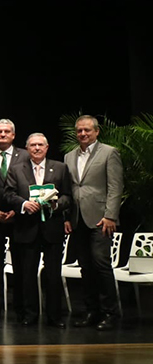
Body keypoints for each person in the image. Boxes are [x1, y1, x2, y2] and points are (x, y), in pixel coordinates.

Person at [4, 133, 72, 327]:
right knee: (27, 274)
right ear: (27, 148)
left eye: (40, 145)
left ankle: (54, 316)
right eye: (32, 145)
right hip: (27, 228)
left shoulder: (60, 168)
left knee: (52, 274)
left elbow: (68, 195)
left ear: (47, 147)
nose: (36, 148)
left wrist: (56, 205)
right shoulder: (17, 169)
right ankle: (30, 314)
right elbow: (9, 194)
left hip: (52, 228)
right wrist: (24, 204)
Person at [64, 115, 124, 331]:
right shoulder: (69, 156)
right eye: (79, 130)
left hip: (101, 218)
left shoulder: (109, 152)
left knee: (101, 265)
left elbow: (115, 187)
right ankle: (92, 311)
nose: (83, 134)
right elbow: (69, 190)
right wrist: (68, 218)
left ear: (97, 132)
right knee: (85, 267)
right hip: (78, 219)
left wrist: (110, 215)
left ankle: (111, 313)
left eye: (87, 130)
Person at [0, 119, 23, 319]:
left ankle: (20, 305)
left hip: (20, 218)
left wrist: (18, 210)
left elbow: (30, 184)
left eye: (7, 131)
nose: (3, 135)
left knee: (20, 263)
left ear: (14, 135)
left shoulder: (25, 155)